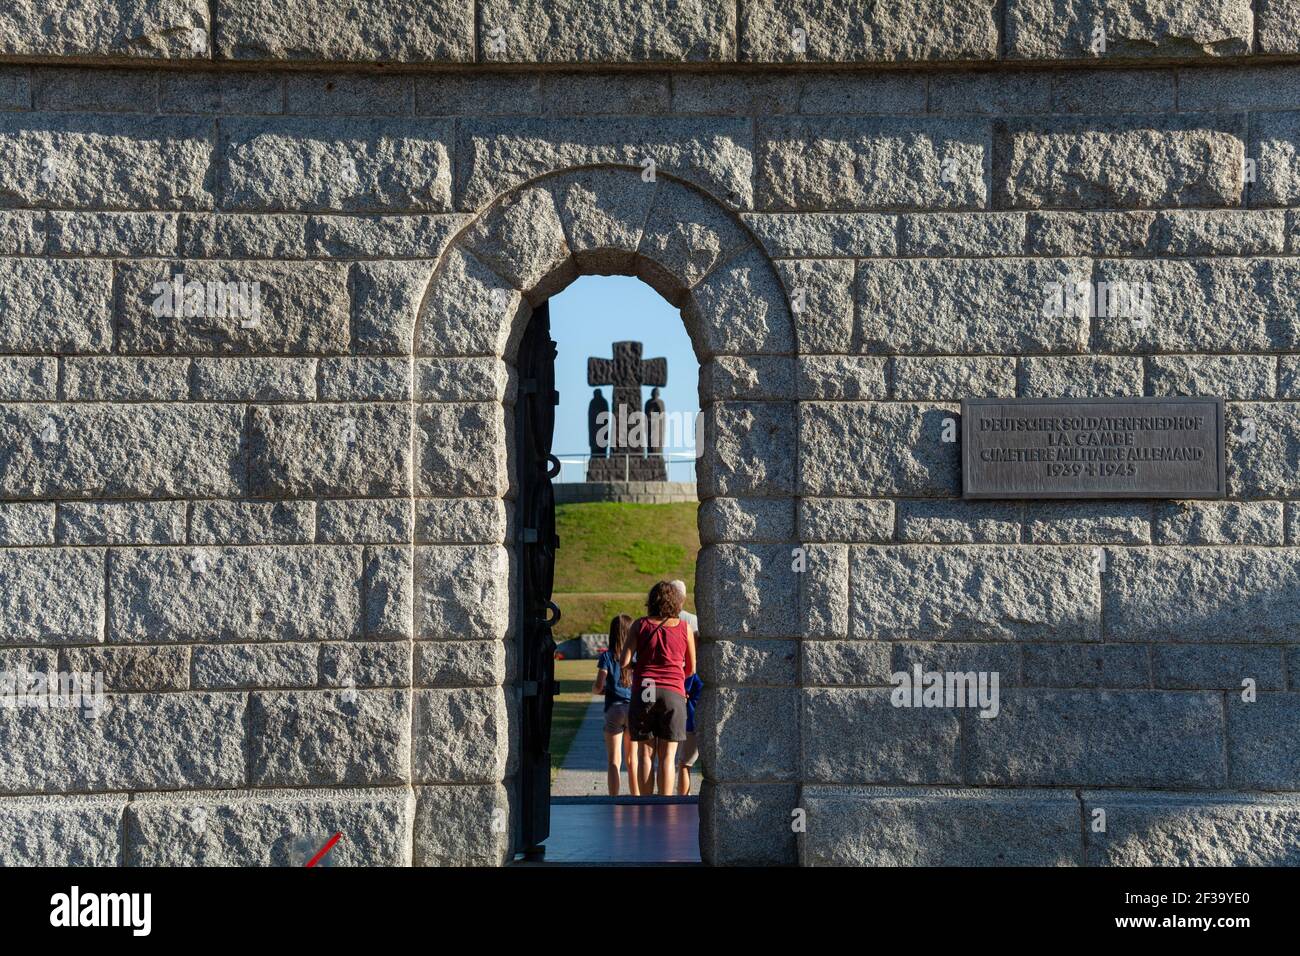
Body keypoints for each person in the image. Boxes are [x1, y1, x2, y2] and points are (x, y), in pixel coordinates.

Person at [620, 581, 696, 799]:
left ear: (651, 600)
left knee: (645, 753)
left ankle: (645, 804)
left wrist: (640, 667)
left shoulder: (640, 625)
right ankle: (665, 805)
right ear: (676, 602)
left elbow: (624, 661)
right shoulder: (684, 628)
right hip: (673, 690)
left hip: (646, 688)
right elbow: (691, 668)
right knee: (667, 756)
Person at [592, 614, 637, 796]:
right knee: (633, 760)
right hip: (633, 709)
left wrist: (598, 691)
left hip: (614, 708)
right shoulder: (636, 656)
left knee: (614, 761)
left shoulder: (607, 657)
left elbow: (599, 685)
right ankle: (637, 799)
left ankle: (614, 799)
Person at [677, 670, 703, 795]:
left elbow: (681, 691)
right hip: (711, 724)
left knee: (684, 764)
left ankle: (683, 800)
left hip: (693, 722)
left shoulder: (693, 672)